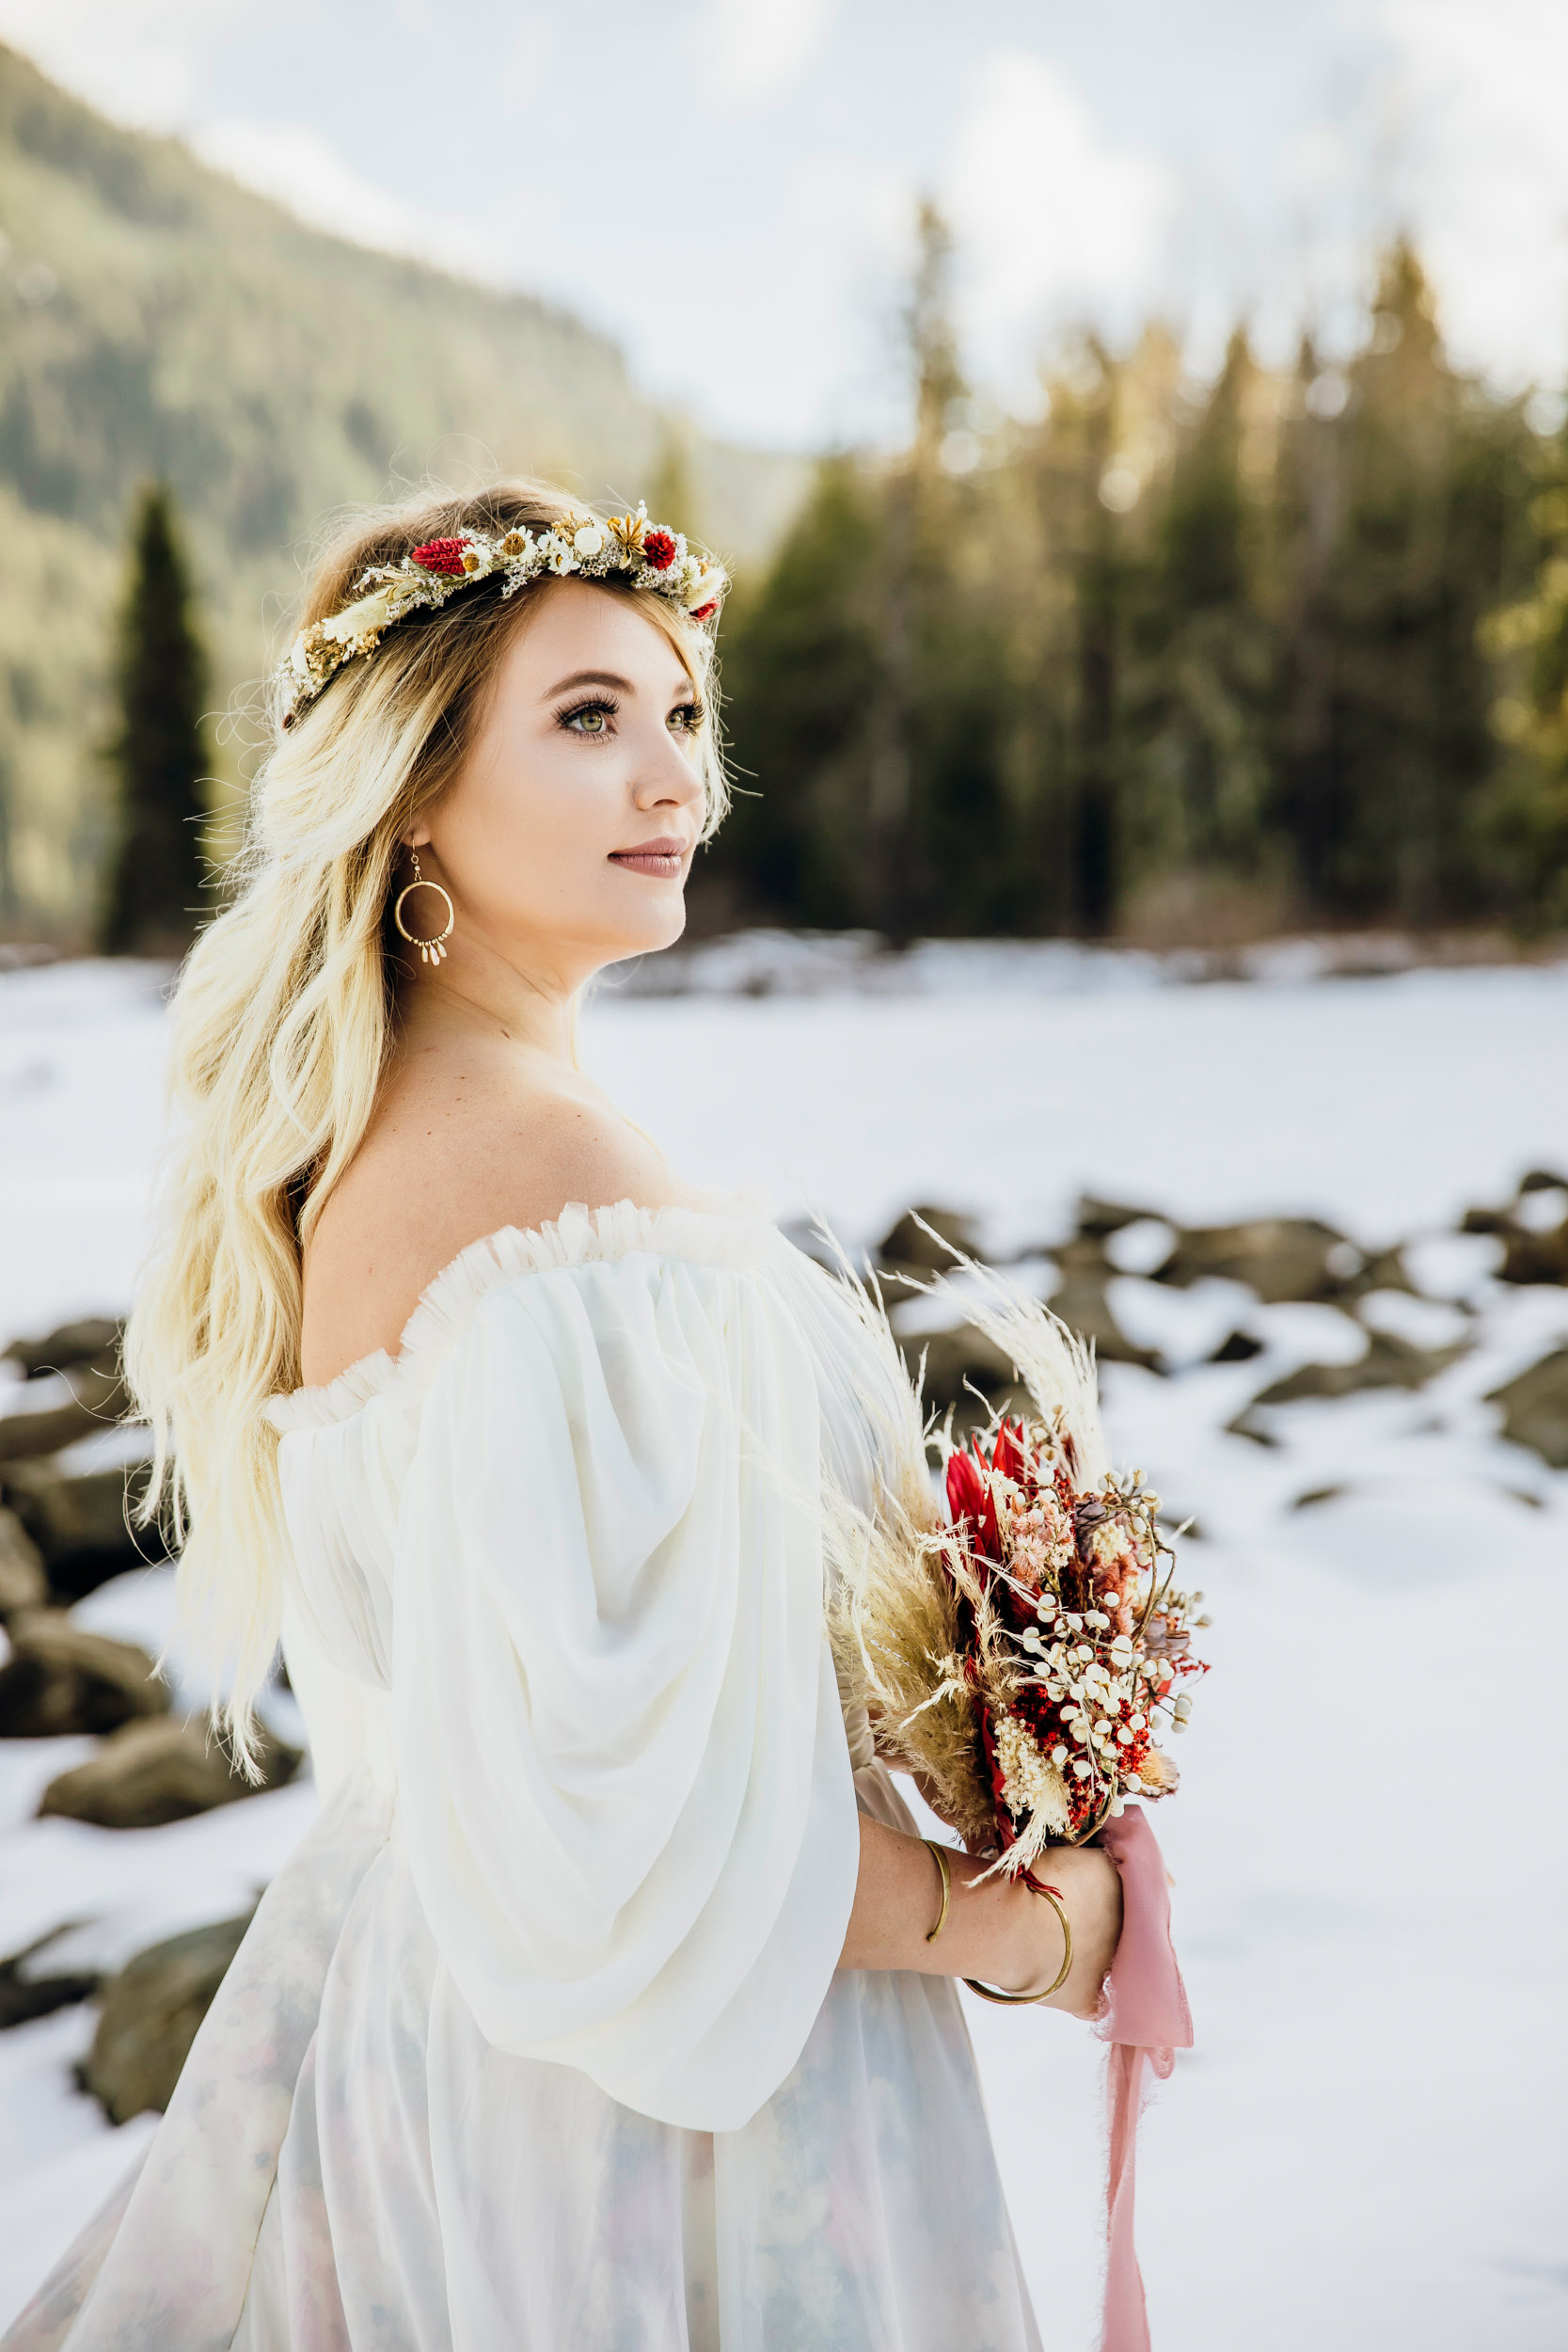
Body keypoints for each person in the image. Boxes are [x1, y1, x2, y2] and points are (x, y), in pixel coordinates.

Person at [5, 483, 1122, 2352]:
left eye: (683, 714)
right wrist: (1028, 1928)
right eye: (590, 717)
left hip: (441, 2043)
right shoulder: (545, 1185)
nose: (672, 774)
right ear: (416, 783)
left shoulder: (383, 1155)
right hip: (645, 2127)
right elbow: (644, 1837)